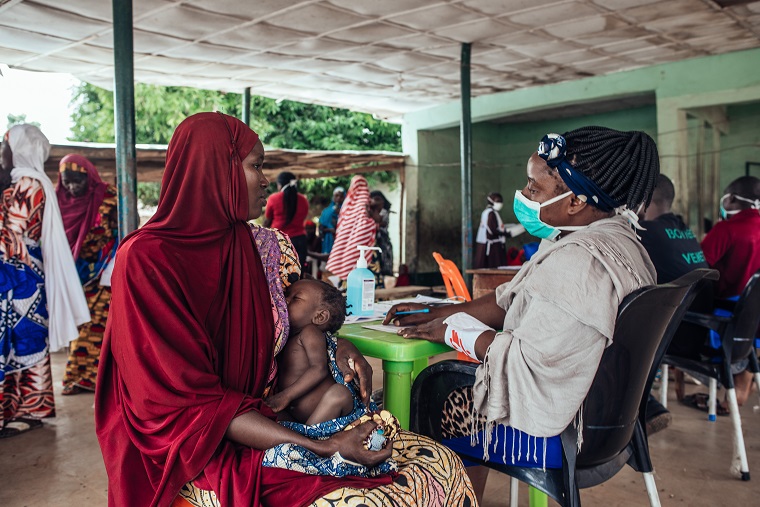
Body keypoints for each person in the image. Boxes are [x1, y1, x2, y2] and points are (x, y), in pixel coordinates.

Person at [95, 112, 475, 507]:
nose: (264, 179)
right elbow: (185, 403)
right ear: (213, 169)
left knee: (444, 464)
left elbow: (301, 319)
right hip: (189, 440)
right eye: (255, 165)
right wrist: (322, 444)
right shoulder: (147, 260)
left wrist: (334, 342)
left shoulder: (264, 248)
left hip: (265, 418)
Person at [383, 127, 658, 499]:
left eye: (534, 187)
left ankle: (457, 498)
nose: (525, 195)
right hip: (610, 423)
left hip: (561, 433)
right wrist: (448, 309)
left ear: (576, 201)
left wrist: (453, 332)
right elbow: (512, 299)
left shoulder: (577, 261)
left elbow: (527, 363)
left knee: (438, 391)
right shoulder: (617, 242)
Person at [0, 125, 89, 438]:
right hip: (15, 274)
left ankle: (29, 409)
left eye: (6, 146)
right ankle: (15, 408)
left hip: (19, 275)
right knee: (16, 341)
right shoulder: (20, 181)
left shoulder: (29, 182)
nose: (3, 152)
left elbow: (11, 232)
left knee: (23, 339)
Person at [638, 174, 711, 428]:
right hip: (699, 330)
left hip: (676, 336)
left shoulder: (646, 234)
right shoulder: (683, 229)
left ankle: (643, 407)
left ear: (641, 200)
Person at [56, 154, 118, 395]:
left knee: (95, 324)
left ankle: (85, 378)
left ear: (90, 178)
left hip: (104, 269)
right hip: (73, 272)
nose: (72, 187)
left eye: (77, 181)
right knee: (79, 324)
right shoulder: (59, 203)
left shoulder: (108, 196)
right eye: (66, 181)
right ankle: (88, 378)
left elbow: (123, 228)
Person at [697, 175, 760, 409]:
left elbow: (698, 266)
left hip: (725, 319)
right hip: (752, 324)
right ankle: (744, 380)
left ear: (731, 198)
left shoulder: (727, 229)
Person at [266, 279, 353, 425]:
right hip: (296, 415)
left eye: (296, 298)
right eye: (286, 294)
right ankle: (303, 439)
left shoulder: (310, 332)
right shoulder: (285, 336)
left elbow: (318, 369)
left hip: (325, 415)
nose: (285, 300)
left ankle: (309, 442)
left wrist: (285, 396)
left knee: (340, 393)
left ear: (320, 317)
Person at [324, 176, 380, 285]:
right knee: (366, 273)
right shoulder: (368, 201)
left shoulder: (348, 203)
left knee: (350, 267)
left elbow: (343, 224)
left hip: (349, 242)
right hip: (365, 242)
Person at [265, 171, 309, 266]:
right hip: (300, 241)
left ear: (279, 185)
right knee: (298, 275)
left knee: (280, 275)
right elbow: (304, 217)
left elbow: (268, 221)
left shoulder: (273, 199)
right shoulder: (303, 200)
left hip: (280, 241)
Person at [473, 192, 508, 268]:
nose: (500, 203)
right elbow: (492, 231)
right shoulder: (491, 213)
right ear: (492, 201)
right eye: (498, 201)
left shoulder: (486, 212)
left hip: (484, 243)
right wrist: (506, 233)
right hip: (492, 246)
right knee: (493, 267)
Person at [369, 190, 393, 277]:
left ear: (383, 201)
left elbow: (379, 221)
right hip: (374, 242)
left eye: (377, 199)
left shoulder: (383, 211)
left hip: (382, 241)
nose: (375, 201)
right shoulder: (370, 211)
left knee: (384, 263)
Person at [319, 186, 344, 255]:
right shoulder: (326, 211)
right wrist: (330, 230)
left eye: (341, 196)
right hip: (328, 241)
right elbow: (321, 228)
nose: (338, 198)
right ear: (333, 197)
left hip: (342, 241)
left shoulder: (348, 211)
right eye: (336, 196)